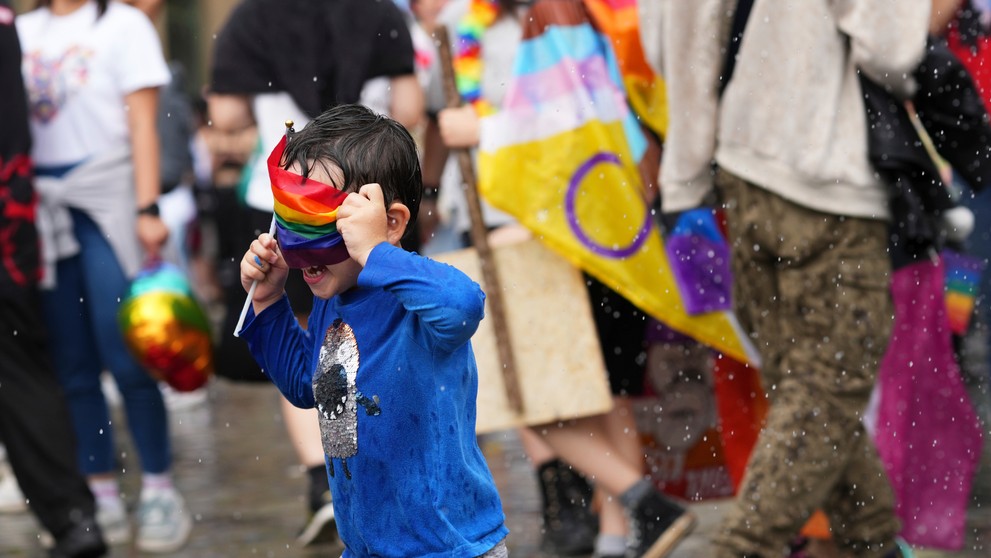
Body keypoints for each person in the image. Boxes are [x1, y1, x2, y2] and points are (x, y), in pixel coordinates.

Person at [658, 0, 929, 556]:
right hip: (826, 171)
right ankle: (740, 547)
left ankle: (874, 545)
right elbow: (894, 50)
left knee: (806, 392)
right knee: (825, 392)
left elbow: (675, 44)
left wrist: (685, 178)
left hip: (741, 169)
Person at [427, 2, 694, 557]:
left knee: (531, 392)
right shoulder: (574, 11)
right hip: (607, 225)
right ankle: (626, 526)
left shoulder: (561, 10)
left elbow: (579, 123)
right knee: (602, 391)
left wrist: (485, 130)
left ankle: (638, 507)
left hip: (583, 230)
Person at [237, 103, 509, 558]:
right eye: (290, 219)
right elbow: (309, 388)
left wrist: (376, 253)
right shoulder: (331, 302)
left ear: (391, 223)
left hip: (451, 546)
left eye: (321, 223)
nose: (298, 246)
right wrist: (267, 301)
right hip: (367, 546)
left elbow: (464, 305)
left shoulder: (415, 303)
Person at [208, 0, 423, 545]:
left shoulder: (252, 18)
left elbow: (228, 115)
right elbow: (410, 106)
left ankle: (321, 476)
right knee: (388, 322)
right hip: (372, 200)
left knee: (320, 336)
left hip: (287, 206)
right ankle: (387, 454)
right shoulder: (381, 13)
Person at [16, 0, 192, 552]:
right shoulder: (22, 29)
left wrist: (146, 209)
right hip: (42, 204)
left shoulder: (124, 24)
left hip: (109, 195)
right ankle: (99, 491)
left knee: (128, 350)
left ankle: (160, 487)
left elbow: (143, 121)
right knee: (69, 360)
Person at [0, 2, 107, 556]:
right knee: (20, 370)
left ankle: (73, 516)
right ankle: (72, 516)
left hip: (8, 226)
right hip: (10, 225)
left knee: (19, 368)